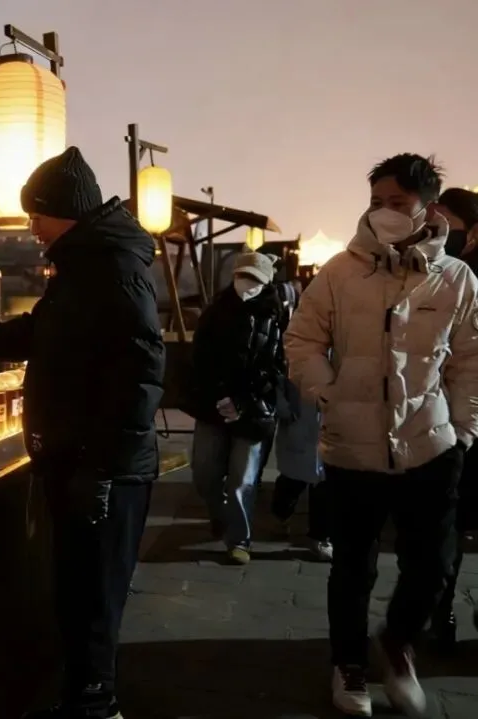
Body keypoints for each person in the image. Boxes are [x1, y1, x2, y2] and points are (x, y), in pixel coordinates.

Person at [0, 146, 164, 719]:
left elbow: (139, 378)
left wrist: (100, 468)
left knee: (94, 596)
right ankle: (85, 697)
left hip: (104, 468)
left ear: (64, 211)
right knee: (79, 592)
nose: (32, 228)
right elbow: (45, 331)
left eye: (37, 215)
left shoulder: (113, 270)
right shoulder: (84, 267)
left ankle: (96, 705)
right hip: (82, 460)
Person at [285, 154, 478, 717]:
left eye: (397, 203)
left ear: (428, 208)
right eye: (376, 202)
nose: (384, 212)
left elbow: (469, 360)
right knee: (353, 565)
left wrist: (463, 429)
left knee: (435, 564)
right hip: (353, 445)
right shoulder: (340, 272)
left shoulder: (457, 278)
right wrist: (329, 392)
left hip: (431, 442)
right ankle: (348, 664)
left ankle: (397, 642)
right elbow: (302, 340)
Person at [185, 253, 286, 565]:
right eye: (243, 276)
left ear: (266, 282)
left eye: (254, 278)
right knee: (204, 473)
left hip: (255, 410)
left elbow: (277, 366)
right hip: (213, 406)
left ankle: (239, 540)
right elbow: (200, 359)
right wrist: (219, 396)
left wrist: (243, 402)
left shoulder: (276, 315)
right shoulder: (215, 311)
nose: (246, 283)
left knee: (242, 480)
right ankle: (220, 514)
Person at [429, 187, 478, 651]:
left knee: (453, 523)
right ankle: (438, 613)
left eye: (447, 220)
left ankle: (442, 615)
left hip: (465, 416)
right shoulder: (444, 270)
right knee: (448, 524)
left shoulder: (462, 274)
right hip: (453, 417)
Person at [270, 276, 332, 561]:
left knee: (326, 482)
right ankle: (280, 514)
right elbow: (279, 371)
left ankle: (320, 535)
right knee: (293, 477)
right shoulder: (296, 329)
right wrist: (283, 404)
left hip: (332, 416)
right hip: (301, 412)